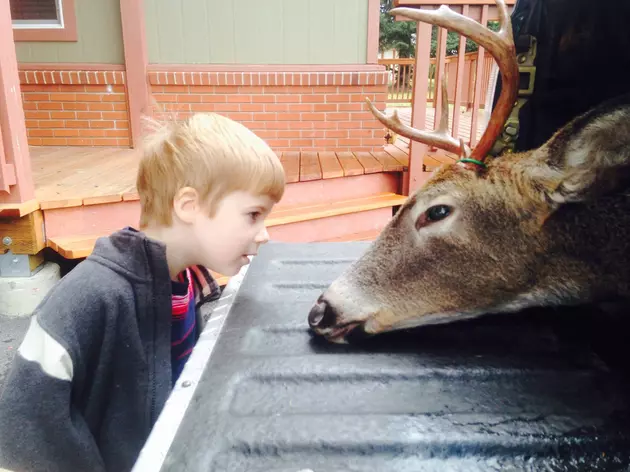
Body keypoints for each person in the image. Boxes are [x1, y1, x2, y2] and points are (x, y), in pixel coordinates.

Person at [0, 112, 286, 472]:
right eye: (253, 214)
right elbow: (23, 417)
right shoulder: (92, 294)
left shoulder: (182, 281)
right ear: (189, 206)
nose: (264, 233)